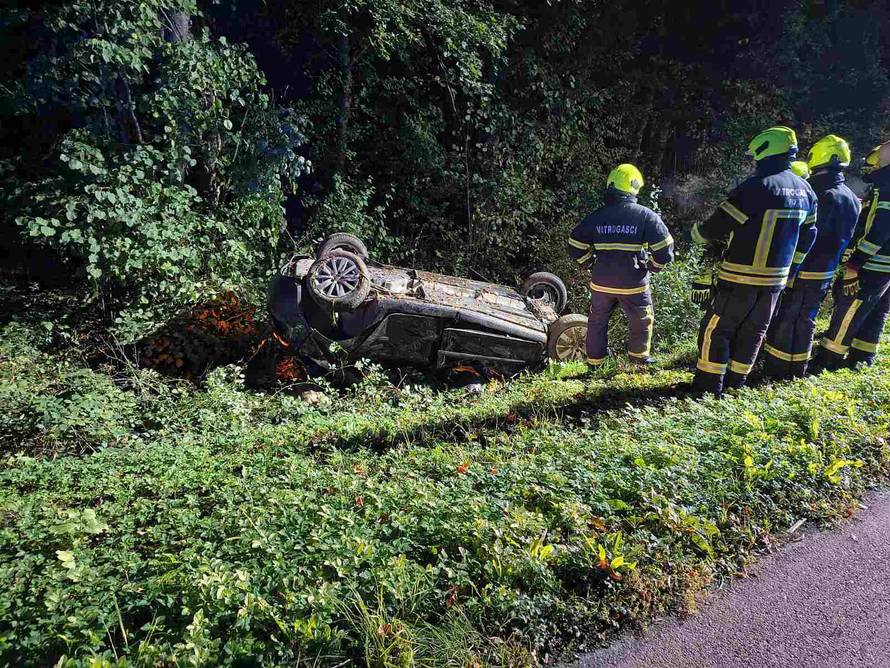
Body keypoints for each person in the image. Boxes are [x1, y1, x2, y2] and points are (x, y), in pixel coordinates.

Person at [689, 126, 818, 395]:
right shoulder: (806, 190)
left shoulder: (756, 187)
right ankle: (737, 385)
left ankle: (707, 388)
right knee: (754, 331)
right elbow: (808, 236)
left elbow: (718, 225)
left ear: (764, 151)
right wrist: (791, 269)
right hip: (776, 281)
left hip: (739, 276)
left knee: (718, 329)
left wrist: (698, 234)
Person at [762, 135, 860, 378]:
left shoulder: (818, 192)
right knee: (806, 318)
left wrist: (788, 265)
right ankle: (798, 369)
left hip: (803, 267)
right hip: (826, 270)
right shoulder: (850, 196)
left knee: (787, 318)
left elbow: (803, 234)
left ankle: (777, 371)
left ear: (819, 156)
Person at [568, 164, 674, 367]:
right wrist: (653, 266)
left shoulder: (597, 216)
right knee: (641, 319)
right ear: (634, 187)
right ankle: (639, 360)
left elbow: (574, 244)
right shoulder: (645, 216)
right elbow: (665, 249)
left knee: (597, 321)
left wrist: (589, 263)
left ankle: (594, 363)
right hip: (633, 283)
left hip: (601, 283)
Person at [813, 140, 890, 369]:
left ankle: (828, 360)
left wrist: (855, 264)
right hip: (885, 266)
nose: (869, 171)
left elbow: (880, 231)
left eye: (872, 166)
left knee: (850, 309)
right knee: (875, 312)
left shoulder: (887, 189)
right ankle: (862, 358)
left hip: (873, 265)